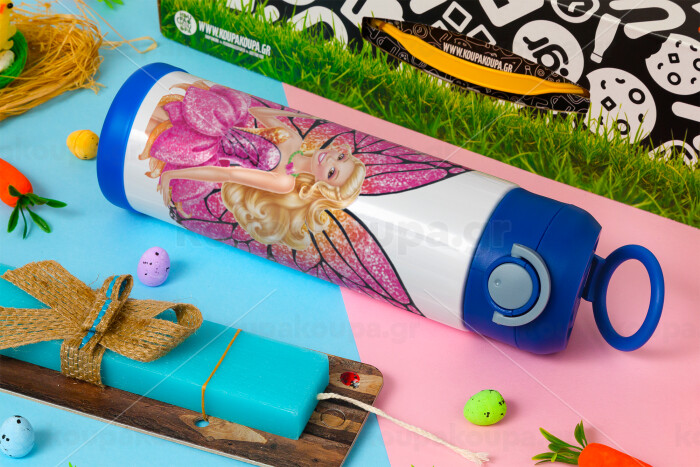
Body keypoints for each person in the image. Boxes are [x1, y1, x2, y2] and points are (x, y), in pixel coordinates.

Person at [148, 83, 366, 250]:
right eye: (341, 157)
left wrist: (173, 175)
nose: (330, 160)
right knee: (162, 113)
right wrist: (294, 114)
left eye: (332, 172)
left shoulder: (284, 182)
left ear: (322, 185)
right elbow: (258, 113)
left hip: (206, 148)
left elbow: (229, 174)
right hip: (222, 120)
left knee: (158, 133)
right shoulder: (294, 139)